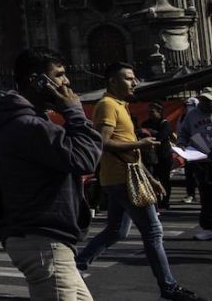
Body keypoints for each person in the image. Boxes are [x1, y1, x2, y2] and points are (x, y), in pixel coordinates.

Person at [76, 63, 202, 301]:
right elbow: (101, 143)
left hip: (126, 176)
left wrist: (151, 177)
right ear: (113, 81)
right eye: (129, 78)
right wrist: (140, 144)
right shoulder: (107, 105)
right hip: (121, 179)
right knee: (153, 232)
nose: (135, 83)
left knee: (115, 231)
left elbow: (128, 152)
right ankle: (168, 288)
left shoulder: (120, 105)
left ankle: (78, 265)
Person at [0, 47, 102, 301]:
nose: (66, 82)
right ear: (37, 81)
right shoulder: (27, 126)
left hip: (48, 239)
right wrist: (73, 110)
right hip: (43, 240)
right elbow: (85, 158)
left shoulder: (29, 121)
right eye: (59, 75)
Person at [177, 90, 212, 241]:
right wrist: (181, 145)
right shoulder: (192, 115)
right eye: (203, 100)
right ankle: (209, 228)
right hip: (201, 159)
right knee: (206, 195)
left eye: (209, 100)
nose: (206, 103)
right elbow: (183, 132)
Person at [139, 102, 174, 209]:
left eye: (152, 112)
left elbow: (161, 137)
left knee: (164, 179)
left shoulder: (165, 124)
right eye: (148, 112)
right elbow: (141, 135)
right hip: (150, 157)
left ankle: (165, 201)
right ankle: (155, 201)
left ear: (159, 112)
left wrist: (151, 133)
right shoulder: (146, 123)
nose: (149, 114)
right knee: (152, 178)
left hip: (164, 156)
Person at [182, 97, 200, 204]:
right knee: (189, 174)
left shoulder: (199, 117)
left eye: (190, 106)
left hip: (201, 151)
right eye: (186, 106)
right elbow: (182, 132)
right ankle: (191, 194)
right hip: (188, 151)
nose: (188, 108)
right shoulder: (183, 118)